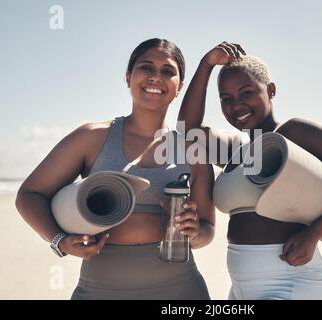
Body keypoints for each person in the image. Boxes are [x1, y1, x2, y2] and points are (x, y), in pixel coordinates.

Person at [177, 41, 322, 300]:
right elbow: (187, 132)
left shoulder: (295, 133)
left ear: (271, 90)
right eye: (226, 99)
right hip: (241, 289)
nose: (236, 105)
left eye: (246, 93)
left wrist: (314, 233)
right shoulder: (236, 150)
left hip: (292, 281)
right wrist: (206, 65)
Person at [15, 38, 215, 300]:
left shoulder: (195, 151)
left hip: (181, 289)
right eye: (146, 67)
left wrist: (194, 232)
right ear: (129, 76)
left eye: (168, 71)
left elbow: (208, 230)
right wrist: (59, 241)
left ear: (179, 87)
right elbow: (30, 194)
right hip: (99, 289)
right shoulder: (91, 138)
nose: (156, 77)